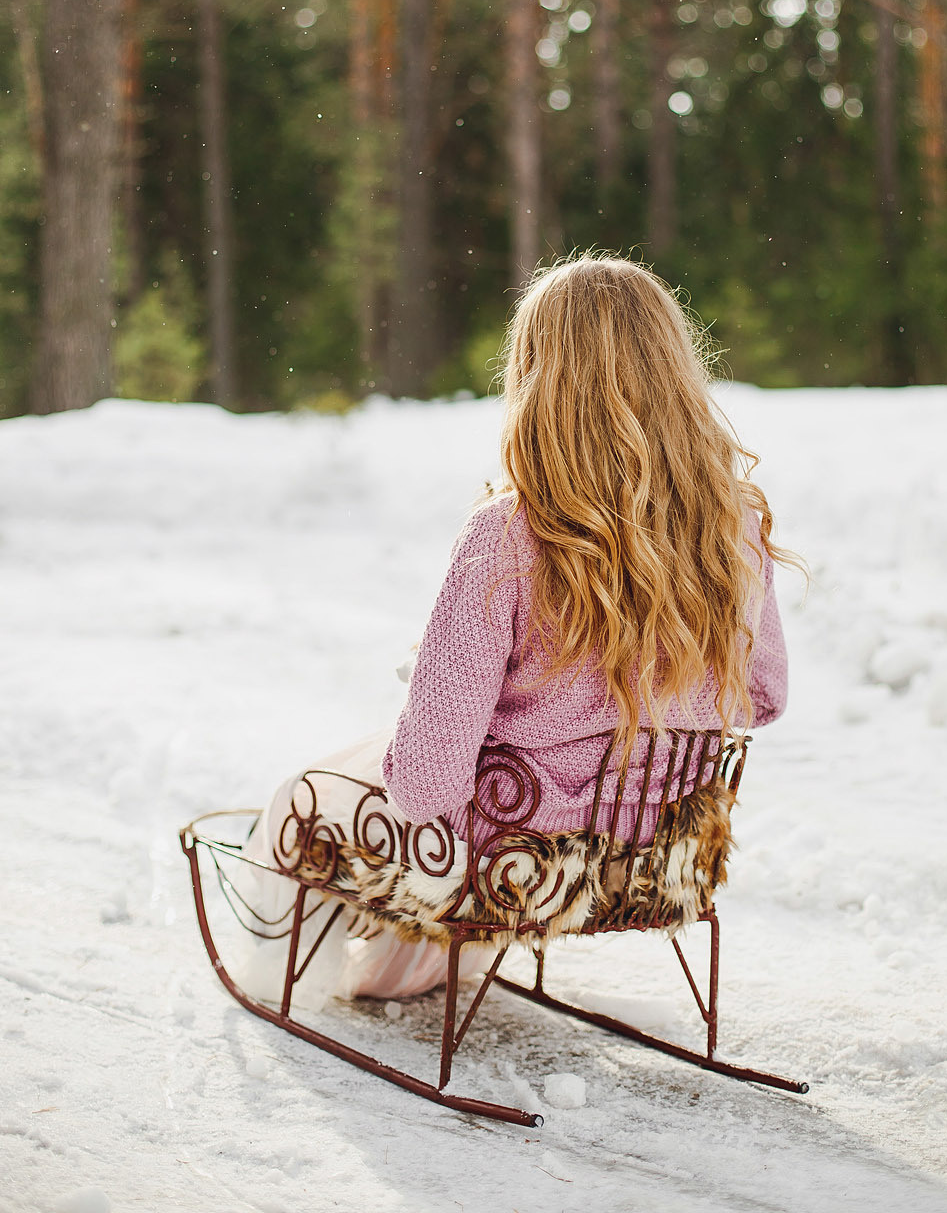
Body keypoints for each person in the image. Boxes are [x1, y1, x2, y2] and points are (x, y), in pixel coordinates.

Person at [240, 254, 791, 1006]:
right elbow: (762, 696)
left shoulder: (506, 536)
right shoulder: (733, 524)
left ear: (537, 376)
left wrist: (456, 698)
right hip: (653, 853)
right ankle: (401, 975)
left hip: (514, 861)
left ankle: (289, 989)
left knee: (298, 801)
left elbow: (428, 785)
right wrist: (636, 711)